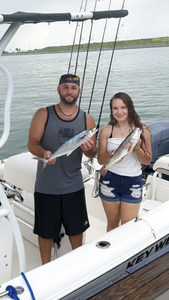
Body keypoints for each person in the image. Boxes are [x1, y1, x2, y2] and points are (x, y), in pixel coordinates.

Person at [28, 73, 97, 264]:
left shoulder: (87, 120)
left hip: (73, 185)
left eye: (73, 88)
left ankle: (79, 264)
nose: (69, 91)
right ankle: (45, 266)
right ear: (58, 89)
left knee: (77, 229)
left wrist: (90, 150)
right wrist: (44, 154)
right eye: (65, 87)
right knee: (45, 231)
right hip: (46, 187)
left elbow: (93, 154)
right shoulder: (43, 113)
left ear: (79, 91)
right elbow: (32, 143)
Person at [98, 92, 152, 232]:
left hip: (133, 181)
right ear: (111, 110)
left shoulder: (142, 130)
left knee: (128, 226)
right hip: (109, 180)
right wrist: (111, 155)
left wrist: (138, 148)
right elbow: (100, 159)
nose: (119, 111)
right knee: (112, 223)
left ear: (130, 108)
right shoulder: (106, 131)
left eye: (123, 107)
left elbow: (147, 160)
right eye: (115, 108)